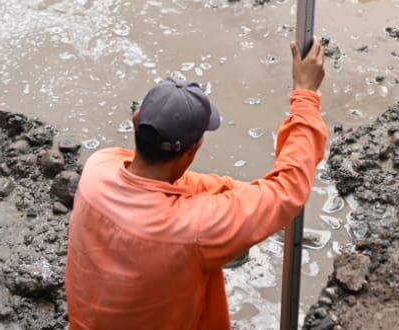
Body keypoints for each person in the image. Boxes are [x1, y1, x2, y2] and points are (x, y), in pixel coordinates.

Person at [65, 38, 331, 329]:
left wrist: (243, 195)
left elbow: (177, 187)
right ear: (195, 148)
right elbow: (288, 189)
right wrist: (305, 95)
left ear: (136, 120)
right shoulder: (192, 230)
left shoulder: (98, 168)